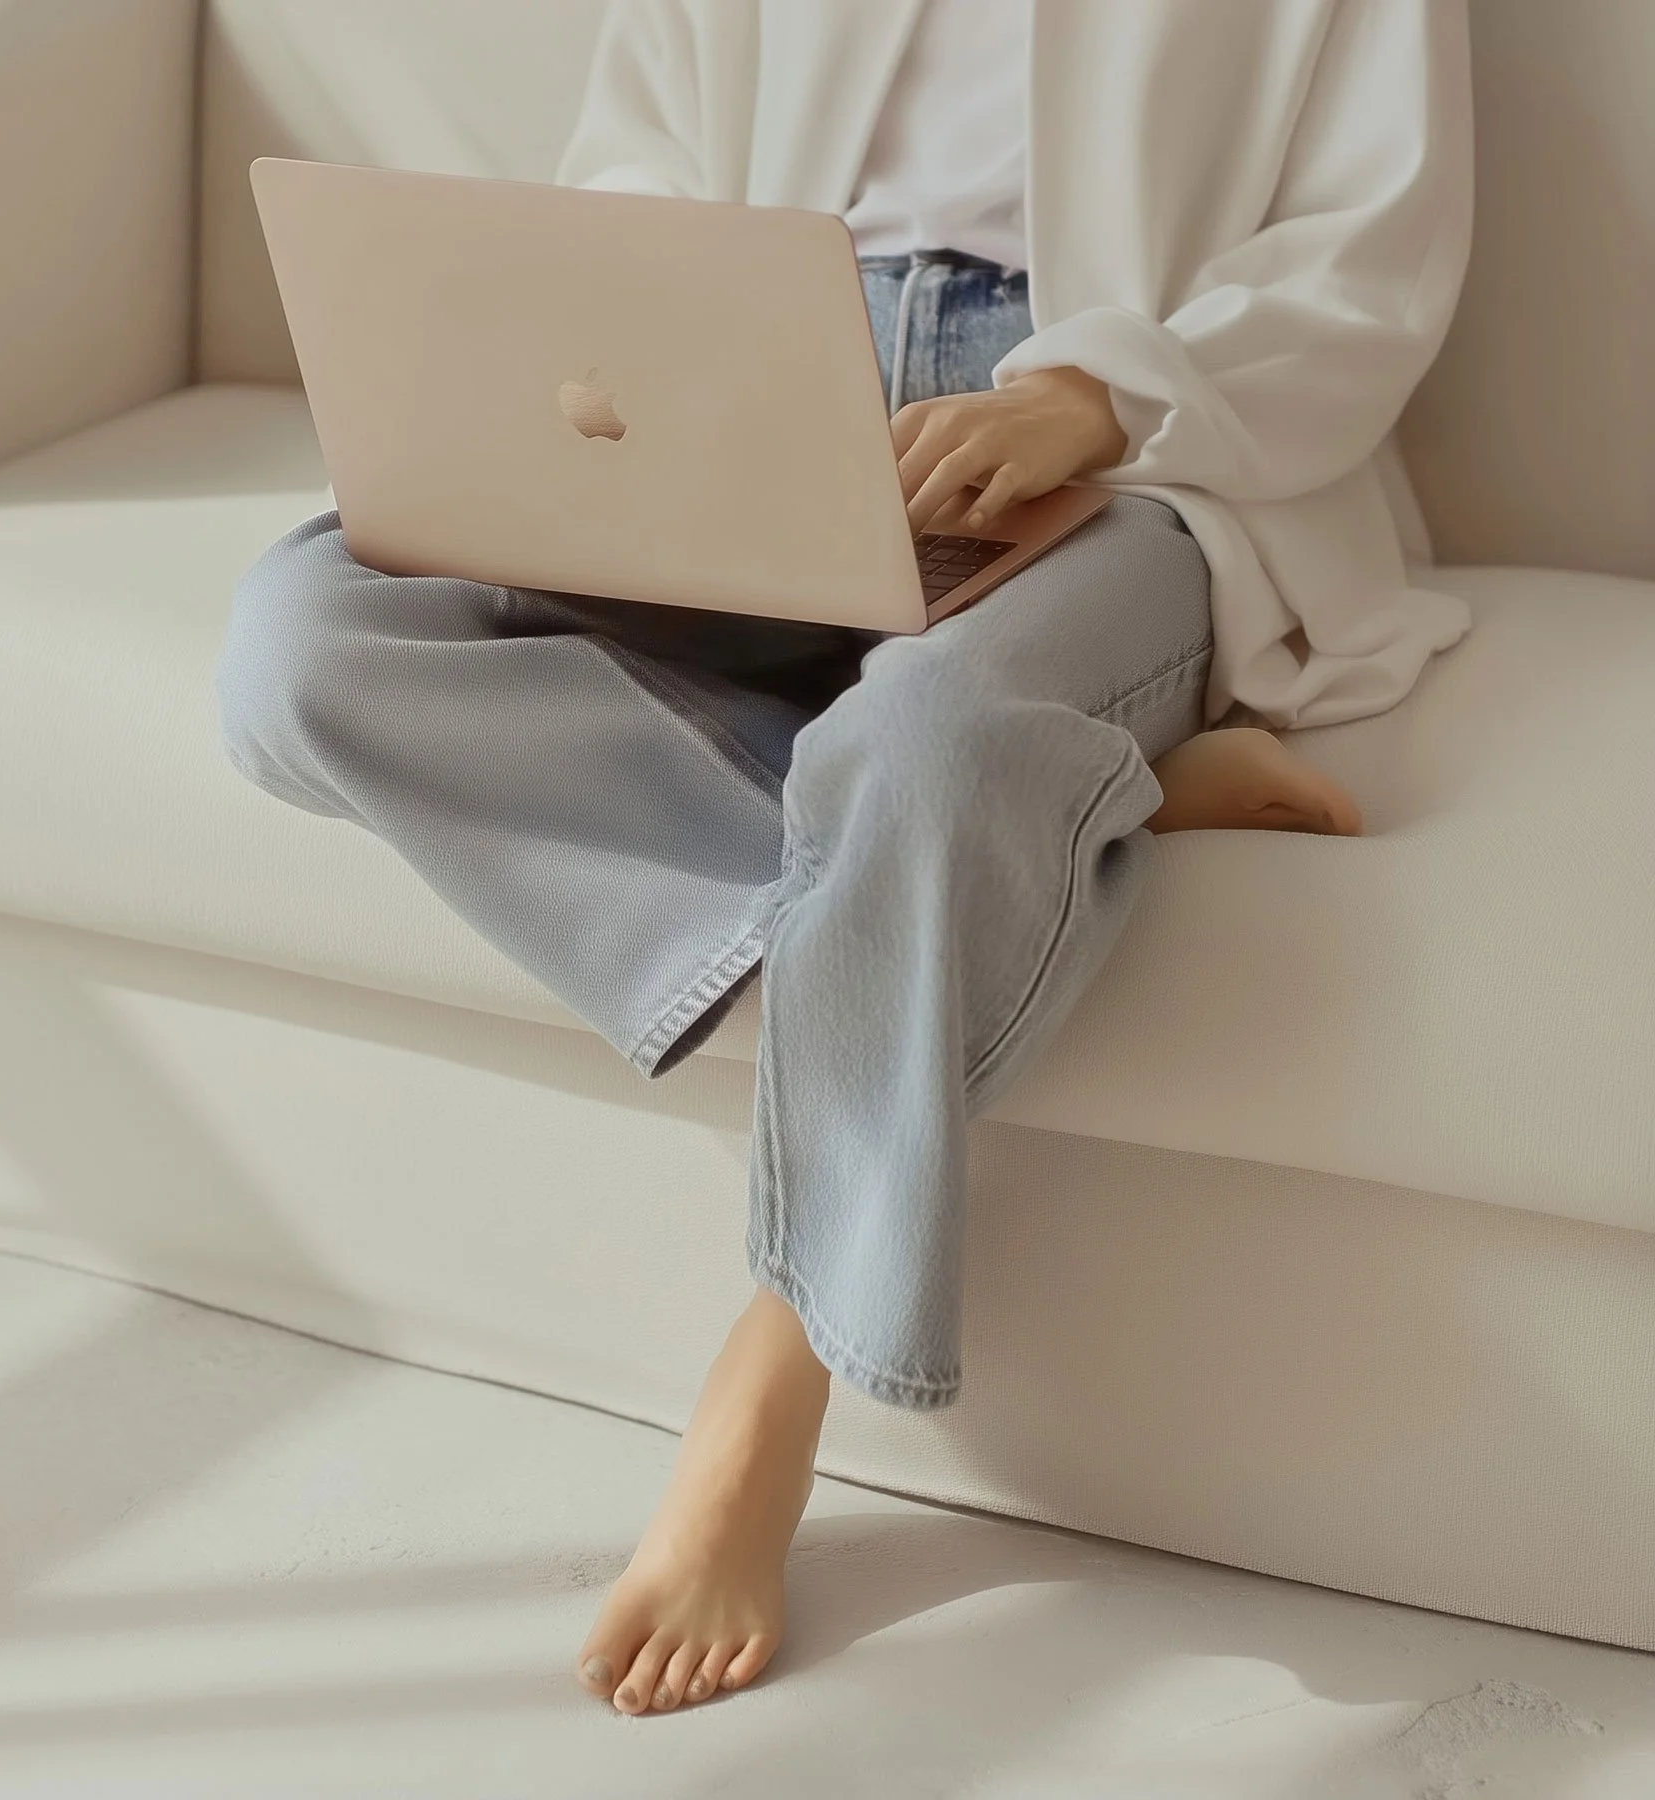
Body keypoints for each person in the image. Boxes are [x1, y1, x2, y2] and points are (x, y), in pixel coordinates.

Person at [215, 0, 1474, 1718]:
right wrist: (642, 384)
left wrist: (1094, 396)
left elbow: (1373, 257)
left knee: (926, 742)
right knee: (306, 643)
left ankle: (783, 1361)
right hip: (746, 405)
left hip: (1148, 459)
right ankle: (1071, 806)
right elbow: (639, 163)